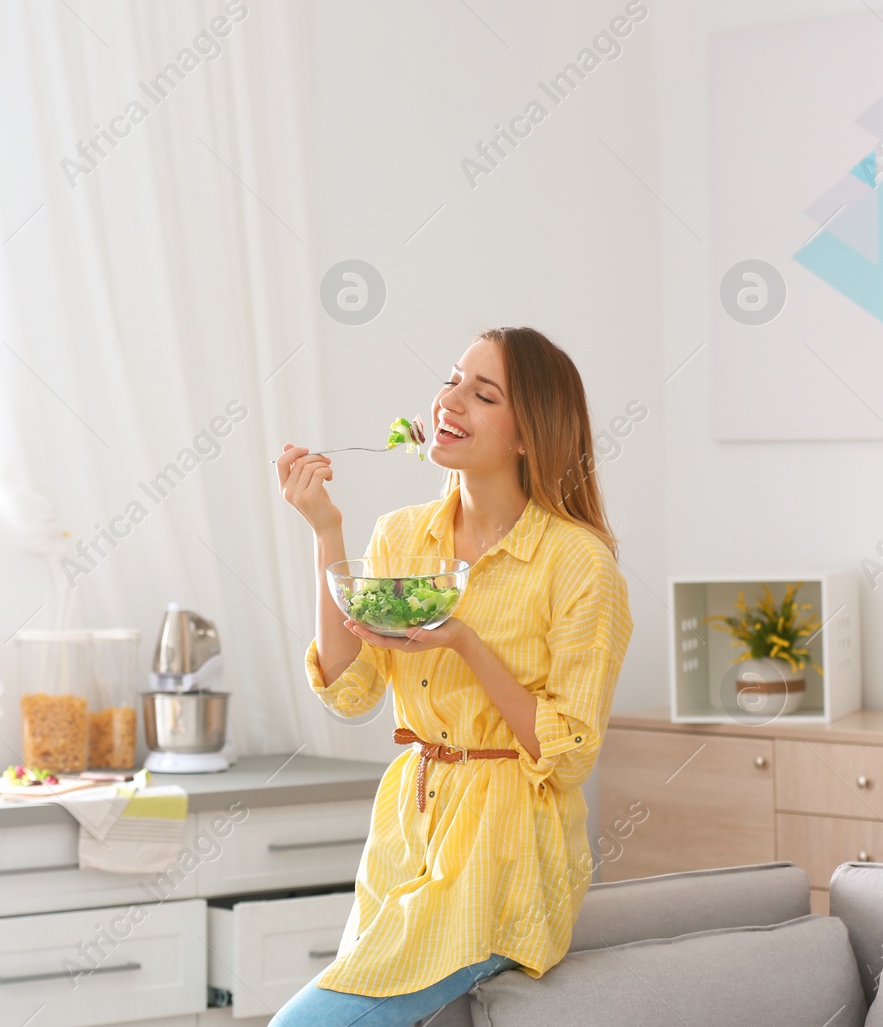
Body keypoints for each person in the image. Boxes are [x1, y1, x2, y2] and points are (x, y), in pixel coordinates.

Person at [270, 327, 633, 1027]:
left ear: (529, 435)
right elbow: (352, 689)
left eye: (483, 392)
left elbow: (569, 754)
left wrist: (465, 641)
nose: (451, 398)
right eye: (452, 379)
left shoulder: (579, 564)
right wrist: (326, 535)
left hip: (505, 854)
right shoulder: (402, 536)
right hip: (407, 833)